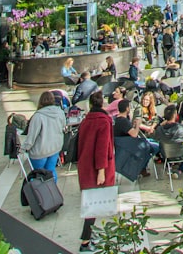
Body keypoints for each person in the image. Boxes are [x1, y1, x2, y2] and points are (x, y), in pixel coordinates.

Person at [77, 90, 115, 253]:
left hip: (85, 166)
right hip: (97, 169)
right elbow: (102, 148)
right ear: (103, 104)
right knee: (93, 207)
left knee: (92, 205)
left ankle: (89, 237)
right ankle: (85, 242)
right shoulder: (104, 121)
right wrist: (101, 171)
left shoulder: (86, 121)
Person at [23, 91, 66, 182]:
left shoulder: (38, 116)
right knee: (51, 171)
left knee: (37, 175)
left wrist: (24, 148)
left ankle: (39, 195)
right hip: (55, 148)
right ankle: (53, 192)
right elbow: (63, 126)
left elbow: (32, 136)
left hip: (40, 151)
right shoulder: (60, 112)